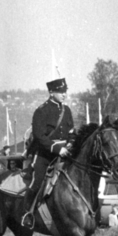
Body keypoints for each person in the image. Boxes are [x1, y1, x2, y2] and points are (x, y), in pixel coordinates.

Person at [22, 78, 75, 227]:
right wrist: (58, 149)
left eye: (65, 92)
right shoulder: (41, 111)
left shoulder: (67, 110)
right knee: (37, 181)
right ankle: (27, 213)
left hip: (66, 152)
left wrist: (71, 143)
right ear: (51, 92)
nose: (64, 95)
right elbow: (39, 136)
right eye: (60, 92)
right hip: (45, 154)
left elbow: (71, 131)